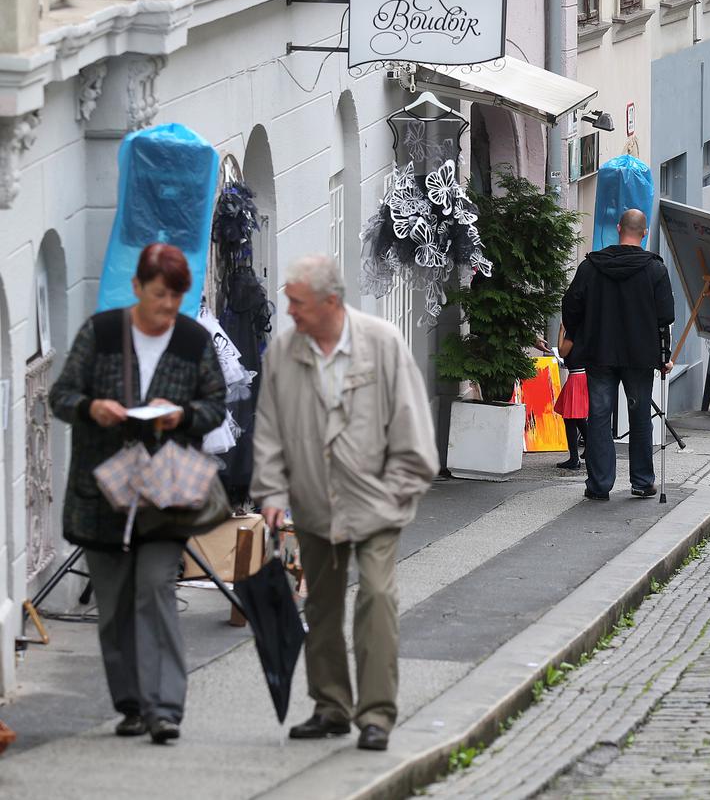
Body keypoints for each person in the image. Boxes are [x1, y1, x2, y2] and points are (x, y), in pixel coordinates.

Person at [253, 254, 439, 752]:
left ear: (330, 302)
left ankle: (376, 714)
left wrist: (397, 489)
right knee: (322, 603)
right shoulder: (283, 353)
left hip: (375, 502)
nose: (288, 311)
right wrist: (270, 492)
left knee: (377, 597)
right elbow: (268, 431)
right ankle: (331, 705)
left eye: (297, 302)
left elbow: (411, 427)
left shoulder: (381, 343)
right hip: (314, 502)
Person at [49, 244, 227, 745]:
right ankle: (131, 704)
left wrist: (182, 416)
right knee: (114, 604)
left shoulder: (193, 340)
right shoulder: (101, 332)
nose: (167, 308)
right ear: (137, 289)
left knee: (155, 588)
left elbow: (214, 405)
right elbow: (59, 395)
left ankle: (165, 708)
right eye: (159, 297)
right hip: (103, 493)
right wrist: (91, 407)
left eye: (175, 298)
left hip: (166, 493)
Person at [562, 209, 676, 501]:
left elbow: (571, 303)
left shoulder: (591, 266)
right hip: (639, 355)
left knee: (599, 416)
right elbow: (665, 317)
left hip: (599, 352)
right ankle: (641, 480)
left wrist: (576, 335)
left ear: (617, 228)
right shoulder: (655, 270)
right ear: (645, 233)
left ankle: (599, 484)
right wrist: (665, 356)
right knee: (639, 416)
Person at [554, 324, 588, 471]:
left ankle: (574, 458)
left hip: (576, 376)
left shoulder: (574, 331)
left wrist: (561, 331)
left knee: (570, 418)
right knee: (578, 417)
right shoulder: (586, 329)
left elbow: (562, 352)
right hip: (583, 375)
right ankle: (590, 449)